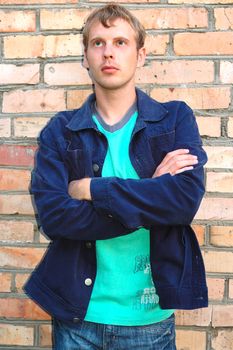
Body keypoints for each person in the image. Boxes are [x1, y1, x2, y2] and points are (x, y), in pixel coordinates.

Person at [24, 4, 208, 350]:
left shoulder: (174, 121)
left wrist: (91, 188)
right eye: (98, 43)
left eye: (120, 42)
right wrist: (151, 195)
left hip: (149, 320)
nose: (108, 51)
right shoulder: (61, 132)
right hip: (78, 320)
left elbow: (183, 203)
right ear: (85, 57)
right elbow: (55, 218)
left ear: (141, 55)